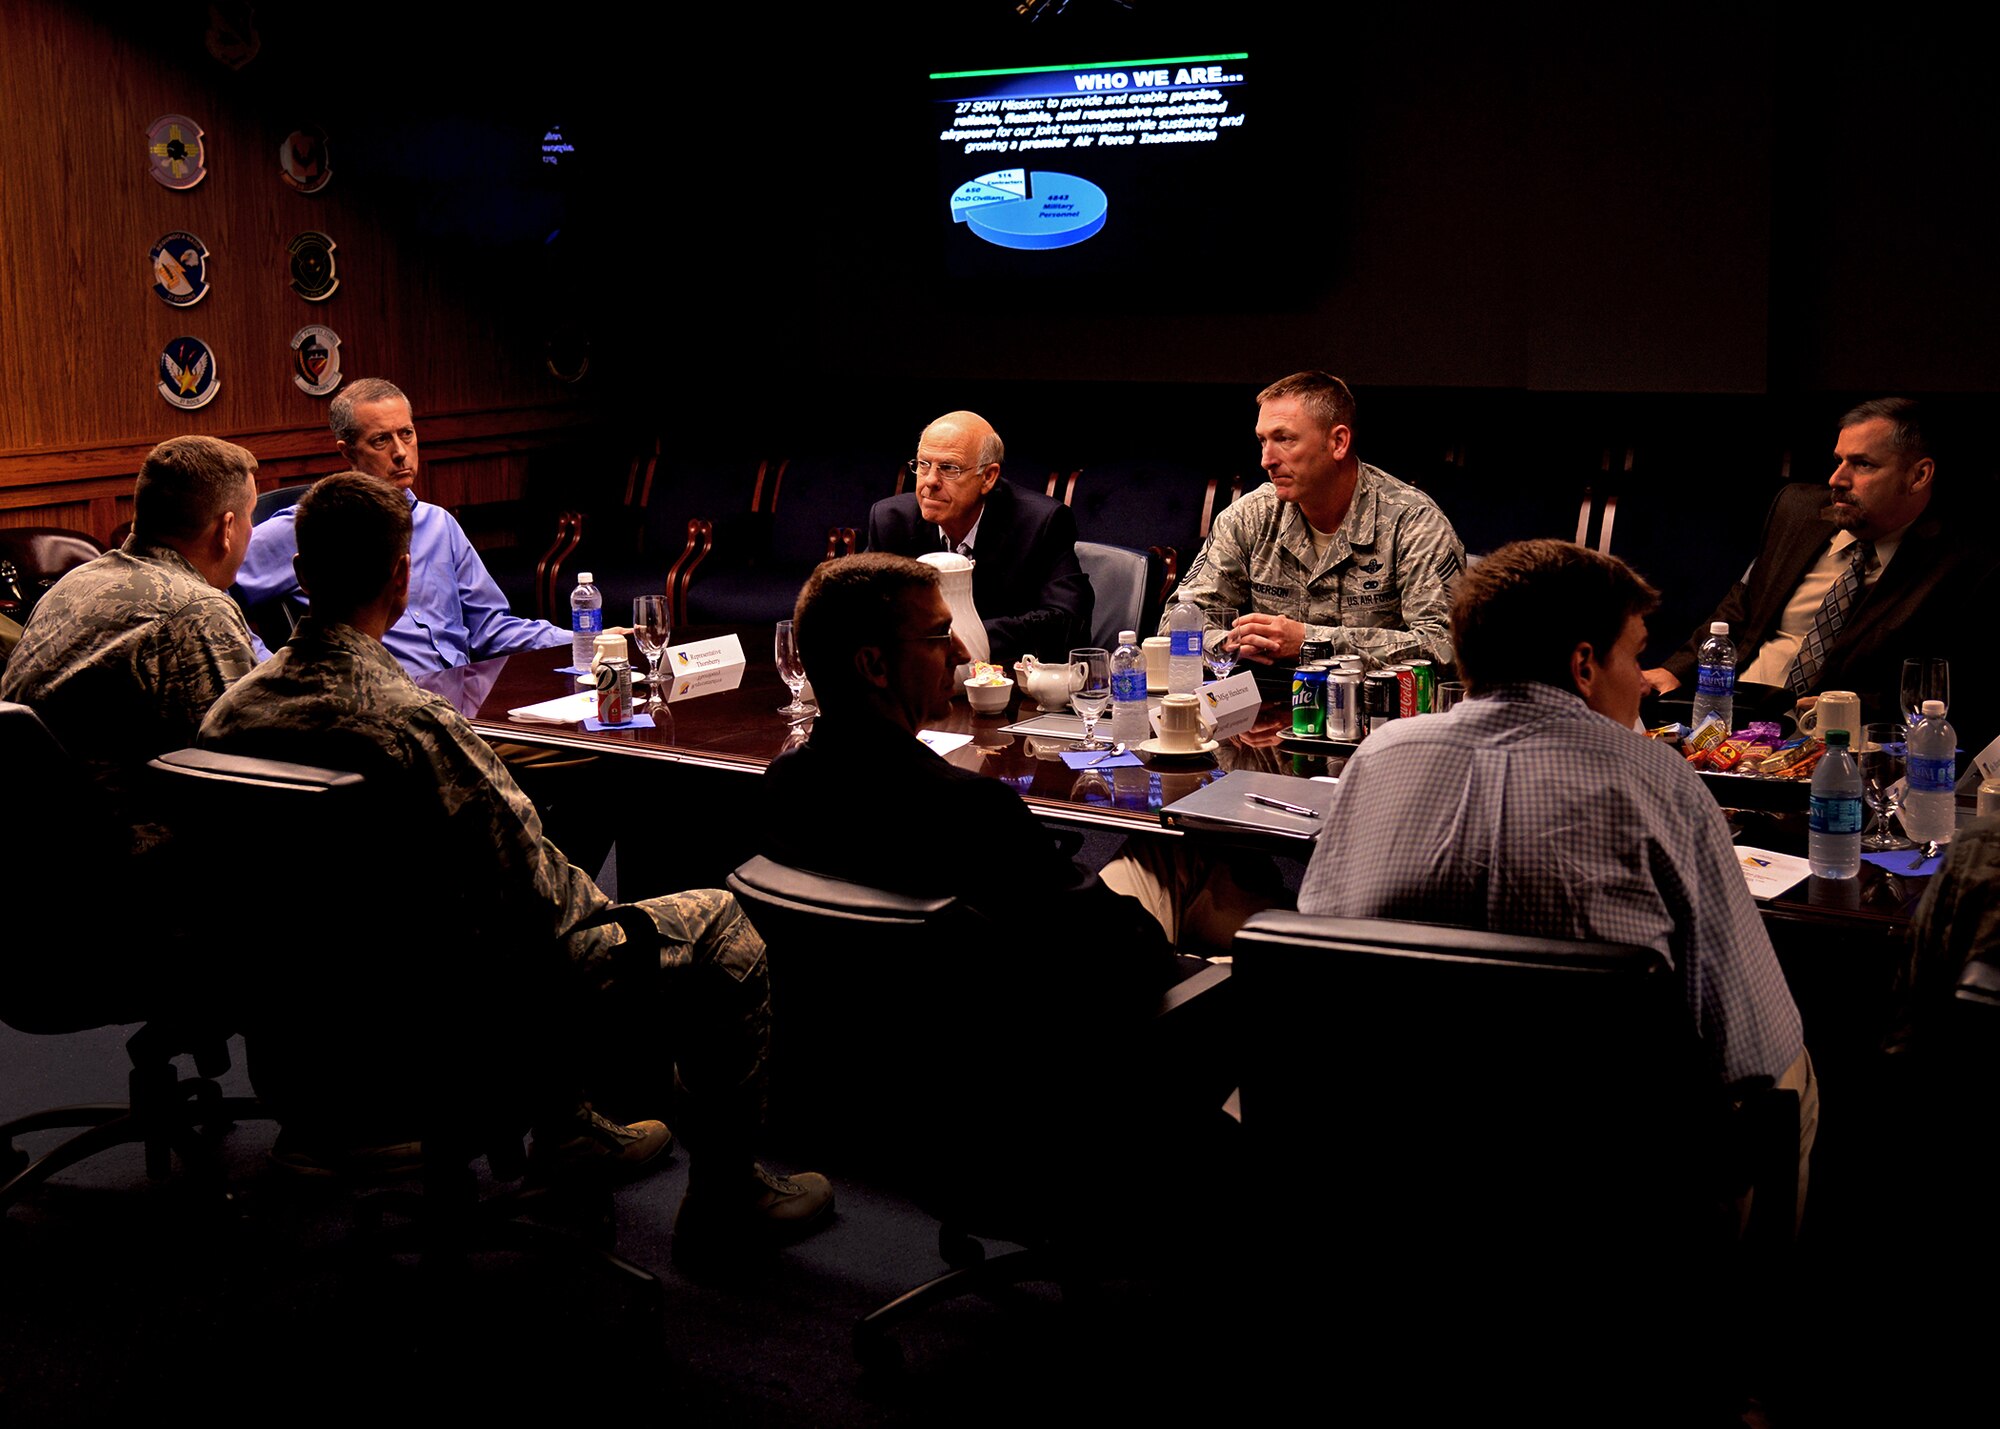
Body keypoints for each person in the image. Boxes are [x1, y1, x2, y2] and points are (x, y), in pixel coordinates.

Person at [199, 473, 831, 1247]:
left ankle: (568, 1131)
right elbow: (542, 905)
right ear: (402, 577)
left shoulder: (231, 711)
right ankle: (728, 1196)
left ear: (300, 577)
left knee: (486, 918)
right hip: (454, 1012)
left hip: (313, 1022)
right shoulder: (413, 725)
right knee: (721, 922)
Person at [1298, 538, 1816, 1221]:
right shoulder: (1661, 779)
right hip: (1607, 1186)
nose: (1642, 680)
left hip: (1390, 1160)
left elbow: (1317, 969)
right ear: (1583, 664)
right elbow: (1746, 1042)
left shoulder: (1377, 758)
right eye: (1633, 656)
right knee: (1794, 1076)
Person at [1644, 397, 1998, 743]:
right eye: (1838, 461)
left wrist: (1855, 711)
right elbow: (1741, 608)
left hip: (1830, 741)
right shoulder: (1798, 512)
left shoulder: (1963, 567)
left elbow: (1955, 695)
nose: (1836, 479)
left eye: (1863, 465)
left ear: (1919, 475)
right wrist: (1674, 669)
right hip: (1730, 716)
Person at [0, 435, 258, 852]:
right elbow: (251, 762)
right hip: (134, 862)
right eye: (250, 517)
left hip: (36, 840)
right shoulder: (196, 609)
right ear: (227, 529)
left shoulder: (75, 583)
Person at [234, 378, 571, 674]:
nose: (400, 453)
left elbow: (491, 629)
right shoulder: (312, 525)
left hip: (466, 698)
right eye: (381, 440)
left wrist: (587, 641)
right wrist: (271, 668)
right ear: (348, 451)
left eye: (406, 434)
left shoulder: (438, 523)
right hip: (378, 702)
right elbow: (210, 589)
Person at [1170, 370, 1464, 670]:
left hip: (1378, 711)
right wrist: (1228, 644)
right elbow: (1175, 625)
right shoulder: (1249, 518)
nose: (1266, 460)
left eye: (1284, 439)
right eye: (1262, 441)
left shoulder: (1411, 522)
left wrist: (1312, 642)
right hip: (1269, 706)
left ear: (1338, 442)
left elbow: (1447, 646)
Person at [865, 409, 1092, 665]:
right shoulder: (891, 520)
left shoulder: (1040, 522)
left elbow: (1067, 620)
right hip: (916, 682)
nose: (930, 481)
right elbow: (859, 605)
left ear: (987, 477)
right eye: (923, 464)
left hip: (1006, 683)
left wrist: (955, 640)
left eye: (949, 468)